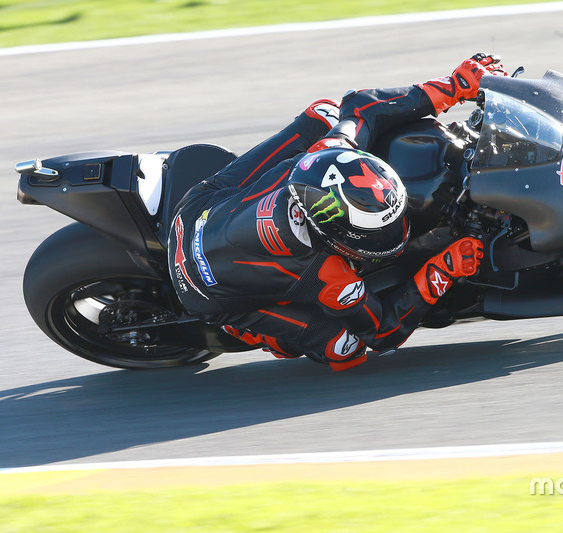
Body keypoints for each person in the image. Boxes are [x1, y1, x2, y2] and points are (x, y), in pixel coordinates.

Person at [167, 54, 506, 370]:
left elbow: (361, 107)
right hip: (203, 291)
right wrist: (441, 270)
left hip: (197, 209)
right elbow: (383, 334)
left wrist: (455, 85)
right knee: (345, 350)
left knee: (325, 113)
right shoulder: (329, 276)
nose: (395, 232)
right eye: (378, 233)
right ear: (334, 240)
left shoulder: (331, 149)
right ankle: (258, 333)